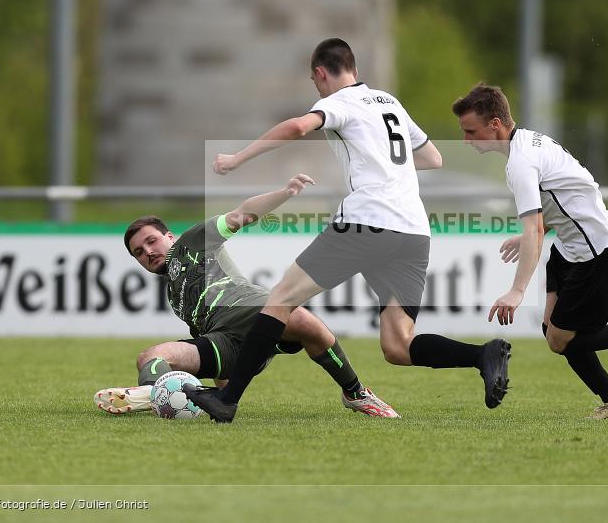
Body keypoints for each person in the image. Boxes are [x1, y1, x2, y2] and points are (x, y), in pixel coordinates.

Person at [185, 38, 512, 423]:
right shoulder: (389, 102)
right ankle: (482, 354)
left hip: (367, 221)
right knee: (398, 344)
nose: (317, 88)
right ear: (353, 68)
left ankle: (228, 400)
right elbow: (433, 157)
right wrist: (385, 167)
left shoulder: (339, 102)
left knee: (280, 299)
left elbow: (297, 126)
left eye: (314, 81)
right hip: (413, 230)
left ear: (321, 73)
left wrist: (237, 158)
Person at [452, 83, 608, 419]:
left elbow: (535, 227)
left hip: (597, 252)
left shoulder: (521, 162)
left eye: (471, 131)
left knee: (563, 339)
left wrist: (517, 290)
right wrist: (535, 232)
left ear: (495, 125)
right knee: (553, 332)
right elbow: (568, 196)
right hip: (568, 247)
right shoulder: (529, 141)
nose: (466, 140)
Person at [93, 173, 399, 418]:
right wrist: (223, 394)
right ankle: (154, 393)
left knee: (303, 321)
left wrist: (285, 193)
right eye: (139, 252)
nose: (147, 252)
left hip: (253, 311)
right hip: (225, 342)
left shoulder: (192, 242)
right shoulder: (175, 294)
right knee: (150, 356)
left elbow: (242, 215)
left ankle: (355, 393)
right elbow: (215, 356)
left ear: (169, 236)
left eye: (151, 241)